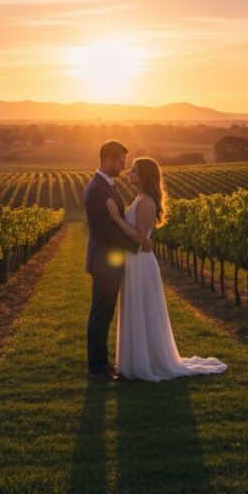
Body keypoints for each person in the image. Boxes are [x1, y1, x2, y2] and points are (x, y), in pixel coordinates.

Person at [105, 157, 227, 382]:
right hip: (135, 261)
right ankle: (137, 360)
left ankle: (146, 363)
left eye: (134, 170)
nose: (129, 173)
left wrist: (115, 217)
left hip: (140, 261)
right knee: (137, 310)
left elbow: (142, 240)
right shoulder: (140, 199)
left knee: (142, 310)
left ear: (144, 176)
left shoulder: (145, 202)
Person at [83, 140, 151, 381]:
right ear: (108, 160)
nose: (123, 166)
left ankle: (102, 363)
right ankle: (97, 368)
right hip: (104, 263)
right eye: (121, 162)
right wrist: (137, 245)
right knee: (101, 315)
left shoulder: (104, 185)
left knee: (104, 314)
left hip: (108, 262)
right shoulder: (98, 189)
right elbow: (105, 231)